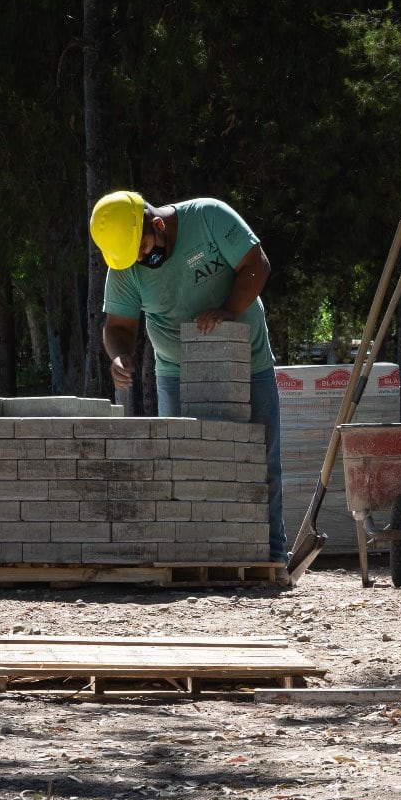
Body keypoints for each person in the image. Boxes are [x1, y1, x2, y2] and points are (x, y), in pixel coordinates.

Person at [90, 191, 285, 563]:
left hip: (248, 359)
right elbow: (117, 325)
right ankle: (192, 555)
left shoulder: (210, 217)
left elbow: (257, 264)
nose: (144, 259)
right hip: (177, 372)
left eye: (146, 247)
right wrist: (118, 356)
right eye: (135, 256)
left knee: (261, 459)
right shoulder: (126, 266)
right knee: (181, 465)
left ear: (158, 223)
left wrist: (229, 310)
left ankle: (272, 556)